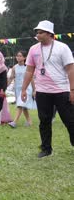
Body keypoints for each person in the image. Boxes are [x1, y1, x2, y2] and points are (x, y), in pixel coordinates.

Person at [21, 20, 74, 158]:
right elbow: (29, 71)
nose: (37, 35)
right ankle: (46, 149)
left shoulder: (62, 48)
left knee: (70, 119)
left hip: (62, 90)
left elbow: (70, 69)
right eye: (37, 32)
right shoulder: (33, 49)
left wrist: (72, 90)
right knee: (44, 120)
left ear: (50, 34)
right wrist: (23, 89)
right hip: (42, 91)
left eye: (40, 32)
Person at [7, 50, 35, 128]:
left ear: (24, 57)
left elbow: (31, 79)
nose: (18, 57)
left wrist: (34, 90)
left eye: (20, 56)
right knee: (23, 107)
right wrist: (5, 86)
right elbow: (11, 78)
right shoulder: (14, 67)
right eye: (17, 56)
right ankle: (29, 122)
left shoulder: (28, 67)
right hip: (17, 88)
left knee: (20, 104)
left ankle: (14, 122)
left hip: (27, 88)